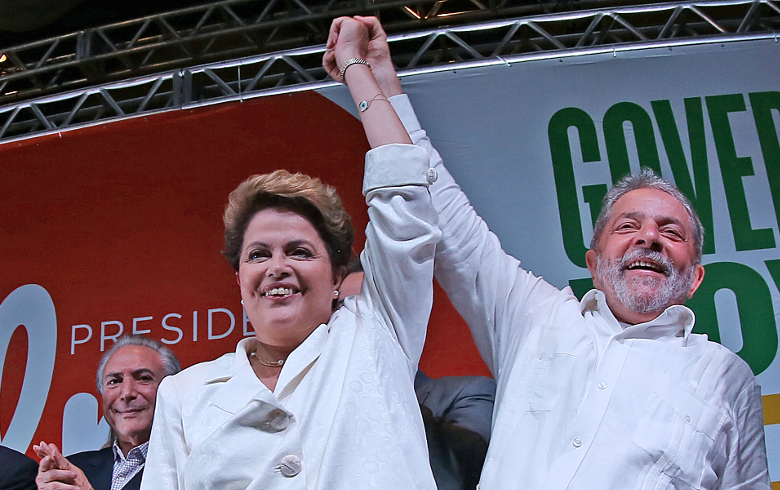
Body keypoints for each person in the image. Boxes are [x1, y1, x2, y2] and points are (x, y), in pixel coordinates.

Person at [346, 16, 771, 489]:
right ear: (594, 264)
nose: (649, 237)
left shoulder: (726, 377)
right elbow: (439, 201)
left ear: (695, 278)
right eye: (627, 226)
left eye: (671, 232)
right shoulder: (532, 316)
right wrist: (379, 82)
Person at [140, 17, 440, 489]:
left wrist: (356, 68)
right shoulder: (184, 394)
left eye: (299, 251)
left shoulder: (376, 333)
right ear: (238, 279)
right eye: (258, 255)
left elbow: (405, 194)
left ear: (337, 275)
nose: (277, 267)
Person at [339, 267, 496, 490]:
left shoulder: (469, 391)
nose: (356, 320)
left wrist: (381, 393)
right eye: (343, 308)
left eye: (371, 308)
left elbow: (461, 470)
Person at [34, 335, 180, 490]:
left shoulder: (188, 467)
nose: (127, 393)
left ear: (172, 390)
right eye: (114, 381)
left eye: (143, 378)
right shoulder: (70, 472)